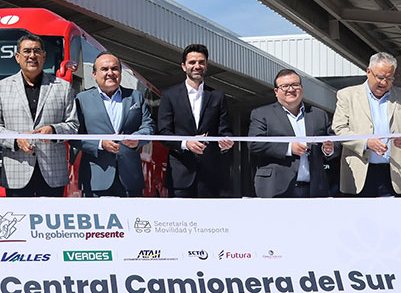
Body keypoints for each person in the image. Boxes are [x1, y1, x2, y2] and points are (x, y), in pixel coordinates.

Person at [0, 34, 79, 197]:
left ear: (44, 56)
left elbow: (73, 125)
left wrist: (53, 130)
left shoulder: (62, 87)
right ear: (17, 57)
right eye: (27, 51)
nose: (32, 55)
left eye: (37, 51)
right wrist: (15, 140)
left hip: (53, 173)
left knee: (52, 220)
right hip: (16, 172)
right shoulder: (0, 88)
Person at [331, 52, 401, 197]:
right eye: (380, 77)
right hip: (358, 174)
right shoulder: (347, 95)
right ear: (368, 72)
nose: (384, 83)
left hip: (393, 175)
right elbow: (339, 129)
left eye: (389, 78)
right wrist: (366, 143)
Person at [157, 44, 234, 198]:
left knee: (210, 221)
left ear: (206, 66)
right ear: (184, 67)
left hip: (211, 175)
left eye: (201, 62)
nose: (197, 66)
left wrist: (225, 143)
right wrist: (186, 143)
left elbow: (224, 130)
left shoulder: (218, 96)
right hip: (180, 175)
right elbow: (164, 133)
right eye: (192, 62)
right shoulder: (169, 96)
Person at [75, 52, 155, 197]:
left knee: (132, 219)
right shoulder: (82, 99)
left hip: (130, 178)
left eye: (115, 69)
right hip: (96, 177)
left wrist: (137, 138)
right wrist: (100, 143)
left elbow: (148, 127)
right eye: (104, 69)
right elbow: (75, 136)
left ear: (120, 72)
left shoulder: (135, 96)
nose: (110, 73)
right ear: (94, 74)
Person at [247, 69, 336, 198]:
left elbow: (334, 140)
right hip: (276, 187)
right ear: (276, 92)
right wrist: (288, 148)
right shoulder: (262, 114)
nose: (291, 89)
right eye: (284, 86)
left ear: (301, 88)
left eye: (295, 85)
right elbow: (254, 143)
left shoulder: (318, 115)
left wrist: (329, 149)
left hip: (314, 188)